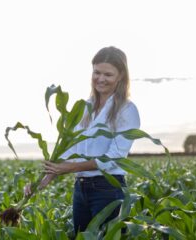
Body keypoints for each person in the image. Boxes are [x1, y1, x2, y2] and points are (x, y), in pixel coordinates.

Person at [24, 46, 140, 235]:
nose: (101, 79)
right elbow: (70, 152)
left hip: (108, 190)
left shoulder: (127, 110)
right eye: (97, 72)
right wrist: (42, 182)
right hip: (81, 189)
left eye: (108, 74)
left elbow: (114, 158)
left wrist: (69, 169)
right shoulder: (85, 108)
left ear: (121, 76)